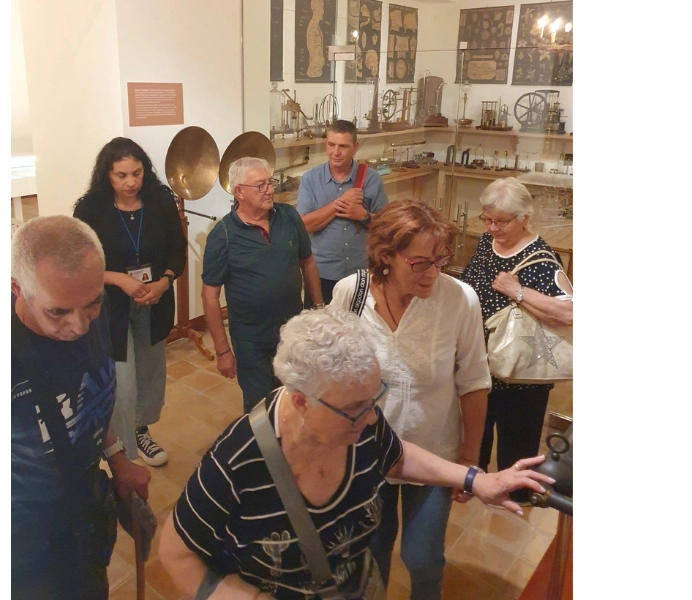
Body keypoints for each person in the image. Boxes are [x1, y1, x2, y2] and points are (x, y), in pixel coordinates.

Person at [158, 307, 553, 600]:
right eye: (355, 410)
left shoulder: (359, 417)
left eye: (374, 400)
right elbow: (176, 554)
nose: (370, 420)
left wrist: (476, 479)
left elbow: (395, 456)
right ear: (301, 402)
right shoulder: (236, 462)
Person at [329, 199, 490, 600]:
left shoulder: (459, 300)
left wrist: (470, 457)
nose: (434, 272)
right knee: (373, 553)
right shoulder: (351, 294)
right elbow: (328, 374)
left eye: (441, 259)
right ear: (386, 256)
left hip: (433, 451)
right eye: (421, 263)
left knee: (422, 557)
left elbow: (474, 382)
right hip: (367, 456)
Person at [11, 215, 150, 599]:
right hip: (23, 551)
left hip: (85, 521)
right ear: (16, 288)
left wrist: (117, 456)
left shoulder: (90, 307)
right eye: (58, 312)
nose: (79, 327)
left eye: (91, 305)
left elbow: (86, 399)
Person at [74, 137, 187, 467]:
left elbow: (176, 250)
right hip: (111, 307)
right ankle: (120, 448)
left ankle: (141, 430)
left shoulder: (160, 201)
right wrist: (119, 279)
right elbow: (82, 265)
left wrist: (165, 281)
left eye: (136, 173)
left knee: (151, 373)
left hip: (153, 302)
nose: (130, 182)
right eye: (121, 175)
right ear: (107, 174)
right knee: (121, 380)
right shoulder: (91, 209)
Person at [461, 178, 573, 501]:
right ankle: (476, 482)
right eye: (488, 219)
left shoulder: (542, 257)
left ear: (525, 217)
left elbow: (570, 313)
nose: (493, 227)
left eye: (501, 221)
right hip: (480, 364)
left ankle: (515, 495)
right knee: (477, 430)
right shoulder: (487, 241)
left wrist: (518, 291)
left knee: (517, 439)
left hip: (521, 373)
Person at [201, 156, 323, 413]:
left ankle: (290, 449)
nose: (269, 189)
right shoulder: (222, 234)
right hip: (250, 338)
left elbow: (308, 262)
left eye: (270, 182)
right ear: (239, 192)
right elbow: (210, 296)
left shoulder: (289, 217)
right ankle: (263, 451)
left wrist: (318, 308)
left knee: (293, 397)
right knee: (259, 406)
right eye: (261, 185)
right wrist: (223, 351)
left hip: (291, 332)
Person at [296, 119, 388, 306]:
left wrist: (363, 216)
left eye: (343, 146)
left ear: (355, 147)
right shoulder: (310, 180)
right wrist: (341, 203)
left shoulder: (371, 179)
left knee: (359, 331)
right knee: (319, 331)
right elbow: (304, 226)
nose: (335, 152)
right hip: (321, 275)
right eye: (331, 145)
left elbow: (386, 228)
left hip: (360, 274)